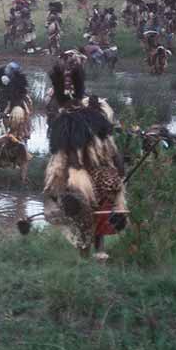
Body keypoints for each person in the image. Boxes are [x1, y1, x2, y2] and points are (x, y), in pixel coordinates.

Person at [43, 62, 128, 258]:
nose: (69, 87)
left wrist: (115, 160)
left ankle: (99, 249)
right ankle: (85, 253)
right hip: (74, 168)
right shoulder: (62, 118)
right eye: (65, 84)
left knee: (107, 189)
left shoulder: (93, 115)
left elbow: (106, 140)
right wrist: (75, 166)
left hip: (97, 165)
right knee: (80, 202)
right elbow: (64, 148)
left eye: (71, 83)